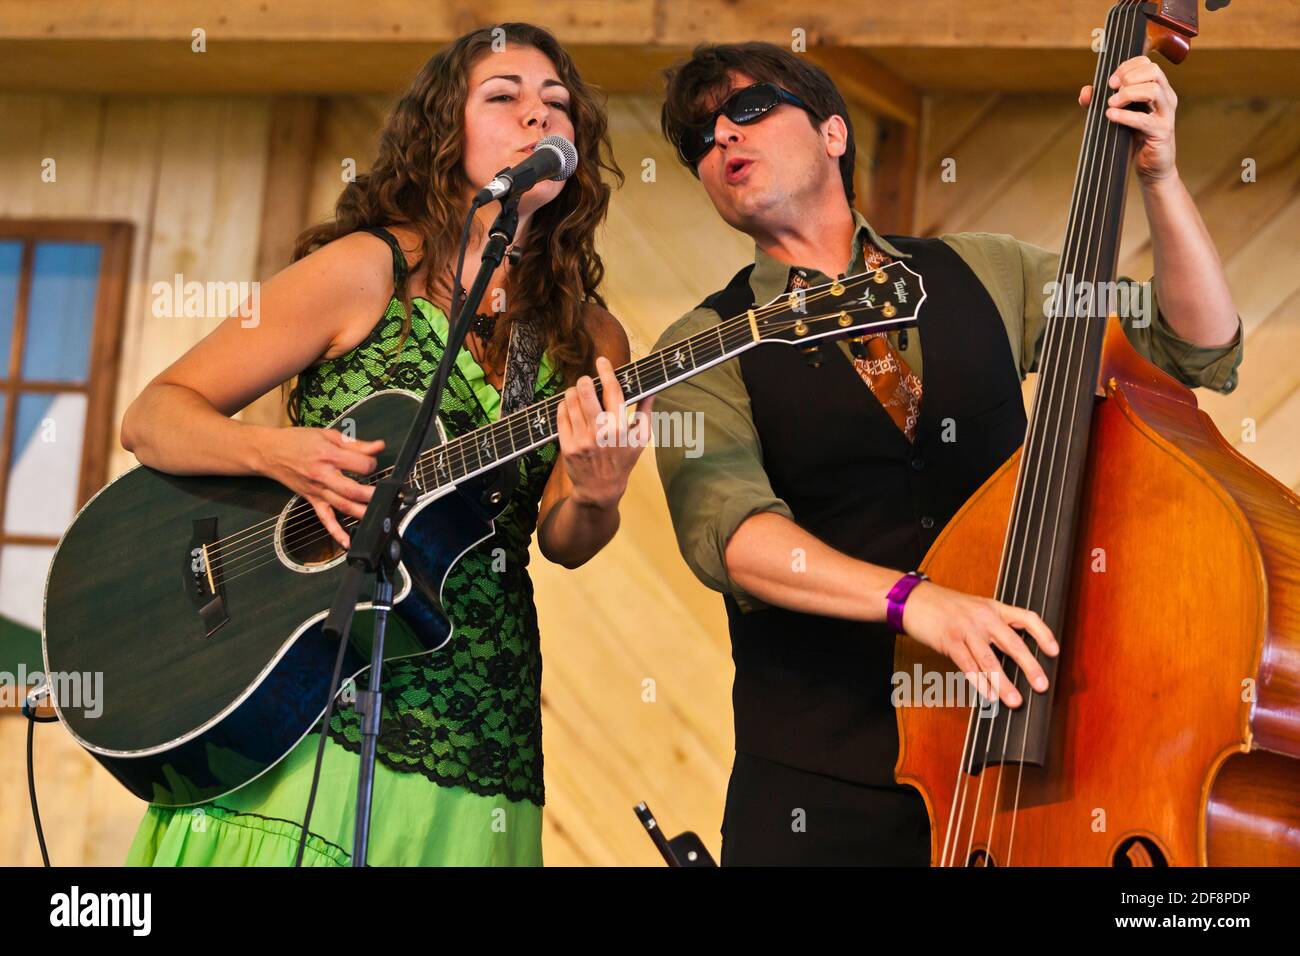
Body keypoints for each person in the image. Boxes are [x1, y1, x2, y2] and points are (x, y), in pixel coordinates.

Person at [651, 42, 1243, 865]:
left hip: (1020, 764)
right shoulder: (699, 344)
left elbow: (1192, 347)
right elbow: (731, 535)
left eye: (745, 111)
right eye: (696, 141)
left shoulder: (986, 271)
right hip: (819, 790)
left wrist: (1161, 180)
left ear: (832, 132)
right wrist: (914, 602)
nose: (720, 140)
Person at [120, 22, 653, 866]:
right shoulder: (363, 271)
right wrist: (276, 453)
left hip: (479, 703)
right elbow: (153, 416)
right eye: (504, 97)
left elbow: (563, 544)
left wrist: (596, 493)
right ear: (445, 130)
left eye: (558, 106)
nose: (537, 118)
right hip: (308, 684)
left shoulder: (589, 336)